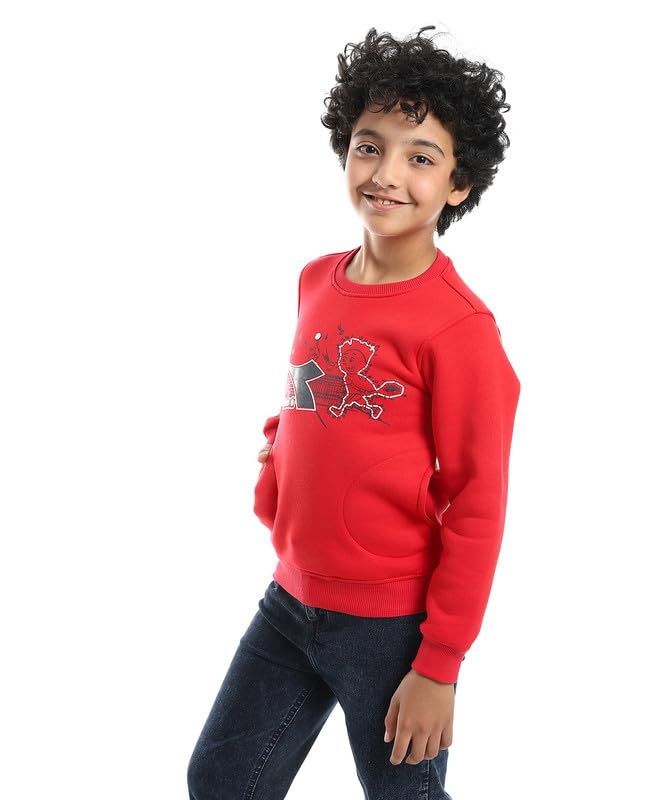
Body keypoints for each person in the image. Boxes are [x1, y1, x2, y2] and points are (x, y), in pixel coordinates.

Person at [187, 24, 521, 800]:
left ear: (460, 184)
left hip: (389, 629)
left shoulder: (460, 330)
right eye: (370, 147)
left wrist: (438, 667)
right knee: (222, 778)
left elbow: (477, 504)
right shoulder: (316, 279)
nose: (387, 173)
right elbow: (304, 398)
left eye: (421, 158)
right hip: (289, 602)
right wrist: (279, 462)